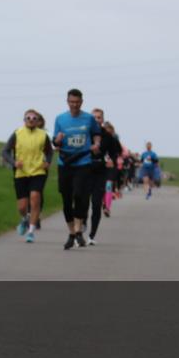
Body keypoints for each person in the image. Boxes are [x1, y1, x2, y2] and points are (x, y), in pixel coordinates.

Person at [52, 89, 102, 249]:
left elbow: (96, 133)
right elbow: (55, 142)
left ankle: (79, 229)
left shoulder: (88, 118)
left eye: (77, 102)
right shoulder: (60, 119)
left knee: (80, 195)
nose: (74, 105)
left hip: (83, 161)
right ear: (67, 102)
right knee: (66, 199)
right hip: (65, 162)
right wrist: (58, 140)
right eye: (71, 102)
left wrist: (96, 144)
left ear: (81, 102)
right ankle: (72, 233)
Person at [0, 110, 53, 243]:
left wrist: (48, 162)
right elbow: (5, 151)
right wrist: (14, 162)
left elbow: (49, 151)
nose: (31, 120)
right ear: (24, 119)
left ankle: (31, 231)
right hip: (21, 172)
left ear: (38, 120)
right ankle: (25, 219)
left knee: (35, 198)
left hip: (38, 171)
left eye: (34, 118)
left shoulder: (43, 135)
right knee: (22, 207)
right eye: (28, 118)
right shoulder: (17, 133)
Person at [87, 109, 121, 244]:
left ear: (102, 120)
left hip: (101, 172)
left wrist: (111, 160)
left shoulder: (108, 136)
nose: (96, 120)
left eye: (99, 117)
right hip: (85, 170)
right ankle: (81, 225)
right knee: (82, 202)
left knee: (96, 204)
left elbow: (114, 152)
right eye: (94, 117)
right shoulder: (85, 133)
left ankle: (92, 235)